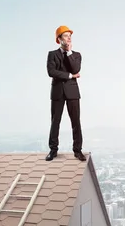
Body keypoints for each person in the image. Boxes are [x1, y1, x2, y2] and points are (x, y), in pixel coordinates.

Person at [45, 25, 86, 161]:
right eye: (66, 36)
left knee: (76, 122)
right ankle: (53, 150)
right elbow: (51, 72)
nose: (69, 38)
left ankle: (77, 150)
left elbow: (75, 68)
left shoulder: (76, 55)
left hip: (73, 93)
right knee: (55, 121)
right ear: (59, 39)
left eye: (70, 36)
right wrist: (70, 76)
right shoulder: (52, 54)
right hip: (57, 92)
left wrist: (68, 53)